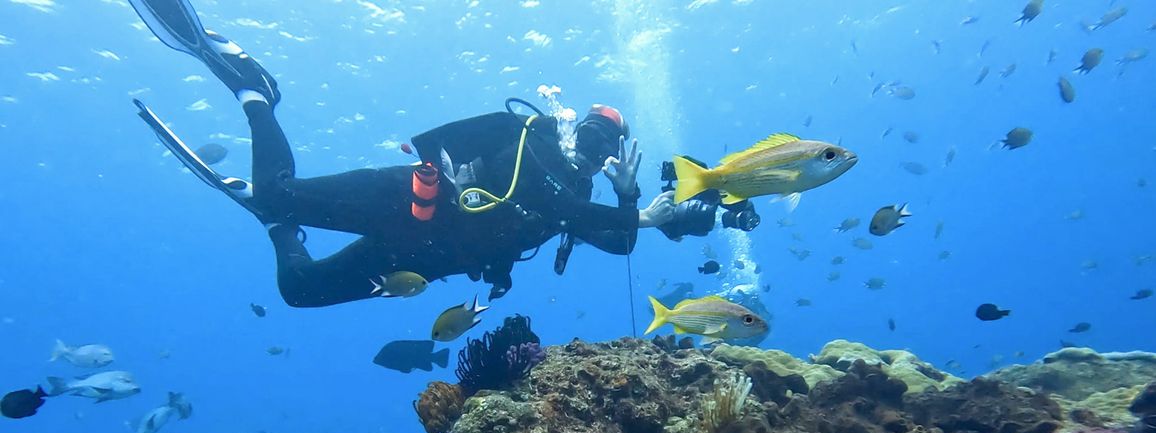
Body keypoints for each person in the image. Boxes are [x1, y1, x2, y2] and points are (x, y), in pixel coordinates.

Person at [127, 0, 758, 306]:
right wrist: (640, 213)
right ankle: (255, 94)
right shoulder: (533, 141)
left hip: (421, 259)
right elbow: (555, 205)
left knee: (299, 290)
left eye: (608, 145)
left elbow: (617, 244)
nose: (595, 150)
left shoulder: (587, 197)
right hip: (402, 201)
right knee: (277, 191)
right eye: (589, 134)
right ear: (571, 128)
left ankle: (277, 227)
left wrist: (629, 196)